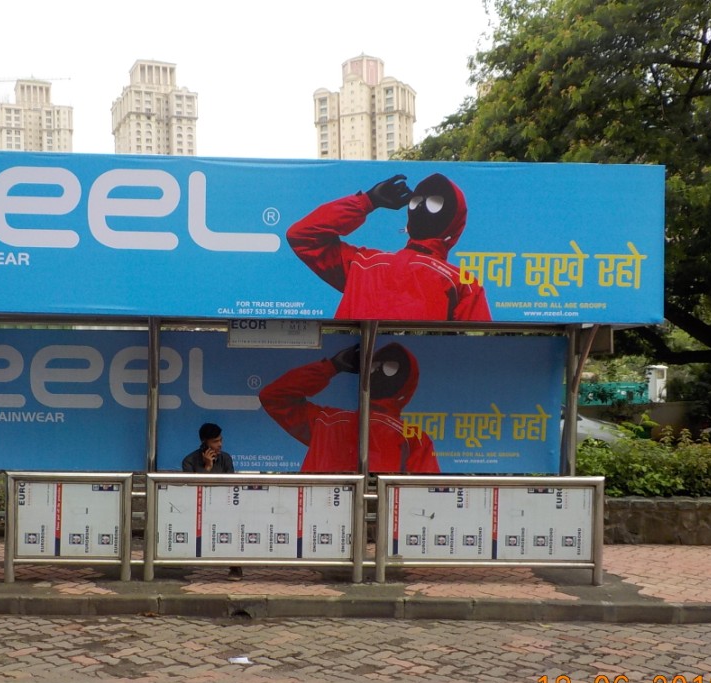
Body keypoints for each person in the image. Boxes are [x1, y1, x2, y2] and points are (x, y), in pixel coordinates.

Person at [287, 172, 491, 322]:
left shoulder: (363, 265)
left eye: (434, 203)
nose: (419, 206)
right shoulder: (462, 283)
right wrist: (366, 201)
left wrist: (368, 201)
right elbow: (478, 354)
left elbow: (303, 236)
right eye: (417, 201)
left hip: (355, 378)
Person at [259, 342, 440, 474]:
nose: (376, 372)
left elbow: (275, 397)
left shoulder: (327, 421)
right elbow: (274, 396)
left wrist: (332, 367)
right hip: (332, 513)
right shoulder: (326, 421)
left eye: (389, 369)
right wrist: (330, 367)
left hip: (328, 514)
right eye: (374, 366)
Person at [181, 423, 241, 579]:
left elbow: (231, 484)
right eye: (215, 441)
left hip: (223, 505)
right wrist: (207, 467)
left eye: (221, 440)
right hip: (197, 507)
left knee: (234, 525)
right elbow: (191, 487)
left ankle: (236, 567)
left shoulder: (225, 458)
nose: (219, 444)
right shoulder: (189, 461)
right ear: (204, 442)